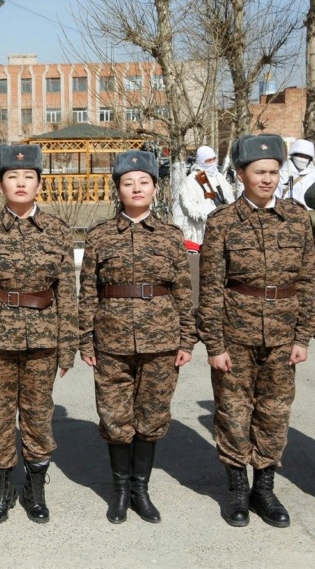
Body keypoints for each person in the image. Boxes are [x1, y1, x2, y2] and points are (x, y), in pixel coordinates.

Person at [197, 134, 315, 528]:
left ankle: (264, 489)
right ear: (241, 174)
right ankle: (236, 489)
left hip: (283, 333)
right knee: (233, 413)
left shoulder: (298, 218)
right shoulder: (223, 222)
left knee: (274, 413)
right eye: (259, 172)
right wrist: (214, 344)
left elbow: (308, 281)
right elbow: (211, 286)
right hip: (236, 333)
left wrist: (302, 336)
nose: (267, 179)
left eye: (273, 172)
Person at [0, 144, 78, 525]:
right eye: (13, 176)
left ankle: (35, 489)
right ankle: (1, 490)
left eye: (29, 177)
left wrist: (68, 349)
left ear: (40, 185)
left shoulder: (58, 230)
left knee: (38, 417)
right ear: (0, 185)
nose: (21, 183)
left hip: (43, 342)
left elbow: (68, 293)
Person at [79, 150, 195, 524]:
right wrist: (85, 339)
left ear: (155, 188)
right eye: (128, 183)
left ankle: (141, 490)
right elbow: (87, 292)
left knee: (152, 415)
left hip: (161, 340)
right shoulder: (99, 236)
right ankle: (120, 491)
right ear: (118, 189)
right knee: (114, 417)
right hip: (110, 340)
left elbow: (182, 289)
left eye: (144, 182)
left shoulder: (170, 235)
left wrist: (187, 340)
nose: (136, 188)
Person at [171, 145, 235, 248]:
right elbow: (187, 206)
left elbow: (230, 199)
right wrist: (209, 214)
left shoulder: (219, 177)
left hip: (224, 228)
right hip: (203, 230)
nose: (212, 163)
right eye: (208, 161)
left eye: (214, 159)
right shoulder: (192, 180)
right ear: (201, 162)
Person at [275, 139, 315, 207]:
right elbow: (275, 196)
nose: (303, 159)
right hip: (286, 214)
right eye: (300, 156)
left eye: (306, 157)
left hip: (309, 215)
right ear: (293, 155)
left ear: (310, 158)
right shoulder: (281, 173)